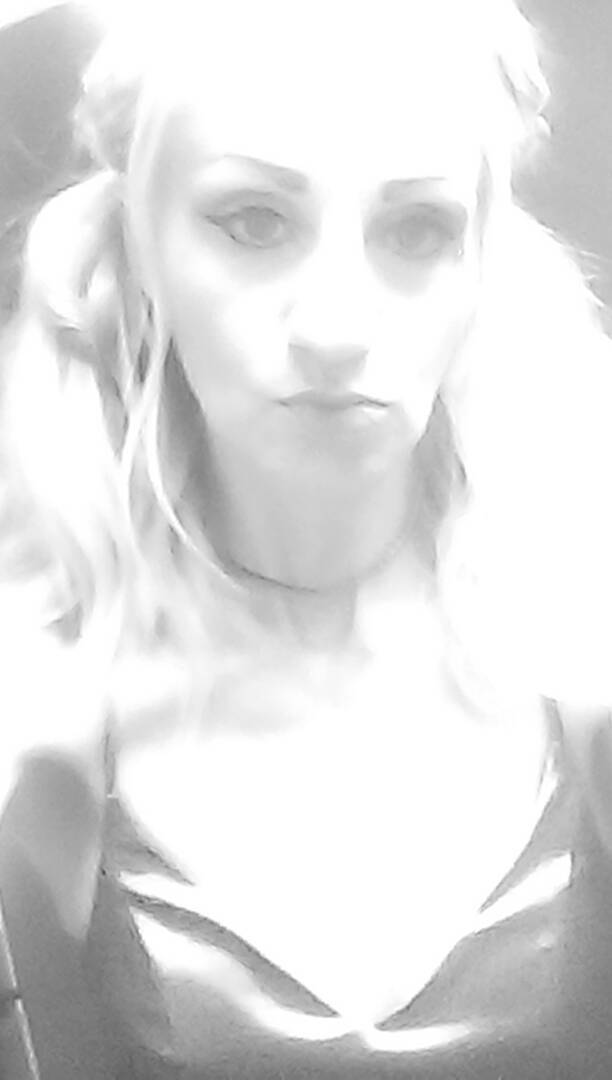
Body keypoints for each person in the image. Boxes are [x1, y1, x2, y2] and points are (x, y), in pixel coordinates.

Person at [1, 1, 612, 1077]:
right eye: (252, 220)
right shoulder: (49, 735)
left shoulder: (580, 677)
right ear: (140, 248)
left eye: (417, 230)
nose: (336, 325)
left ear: (482, 267)